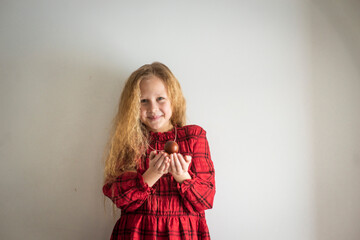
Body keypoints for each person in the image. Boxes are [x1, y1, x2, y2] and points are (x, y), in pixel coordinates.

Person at [102, 62, 215, 240]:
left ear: (173, 99)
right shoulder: (129, 141)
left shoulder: (193, 137)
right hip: (137, 233)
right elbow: (119, 197)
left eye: (160, 98)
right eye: (143, 101)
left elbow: (205, 199)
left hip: (182, 234)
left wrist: (182, 176)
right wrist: (152, 173)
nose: (153, 109)